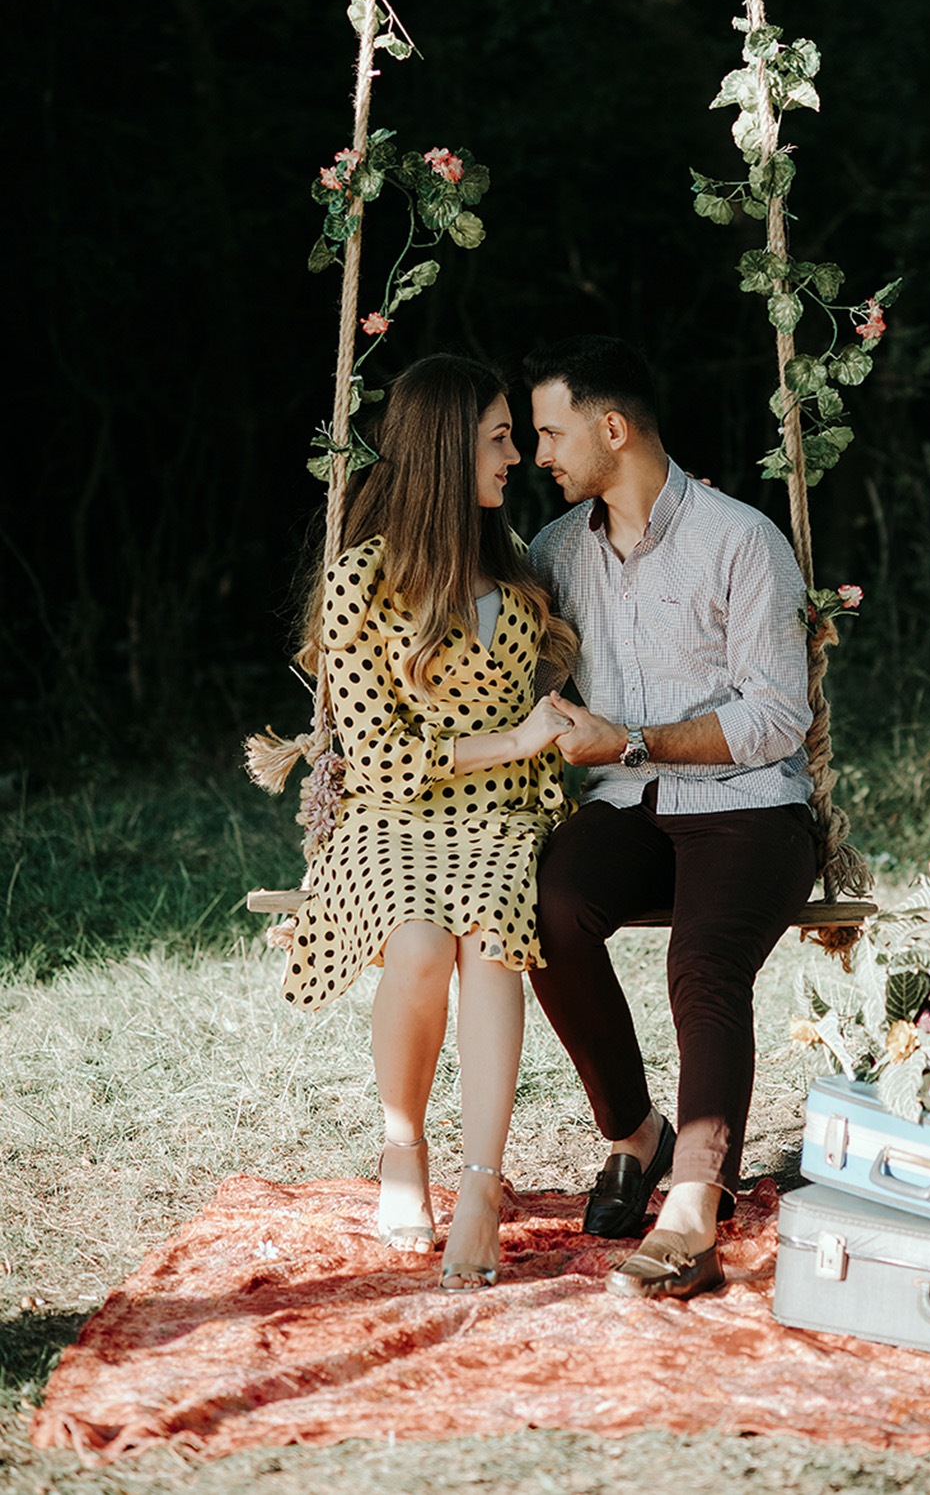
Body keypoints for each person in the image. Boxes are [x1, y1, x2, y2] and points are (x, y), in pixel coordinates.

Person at [523, 334, 820, 1301]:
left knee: (703, 960)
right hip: (630, 804)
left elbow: (777, 715)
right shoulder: (557, 552)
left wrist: (633, 740)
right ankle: (634, 1134)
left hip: (750, 806)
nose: (539, 455)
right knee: (547, 906)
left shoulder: (741, 540)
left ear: (612, 428)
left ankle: (694, 1204)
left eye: (551, 432)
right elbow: (518, 684)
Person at [281, 353, 573, 1292]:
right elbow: (380, 761)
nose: (516, 455)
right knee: (414, 941)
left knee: (491, 938)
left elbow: (537, 721)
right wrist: (516, 734)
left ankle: (481, 1188)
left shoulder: (516, 570)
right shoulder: (361, 584)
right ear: (448, 451)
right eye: (496, 438)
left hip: (501, 818)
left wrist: (548, 736)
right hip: (389, 815)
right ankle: (401, 1142)